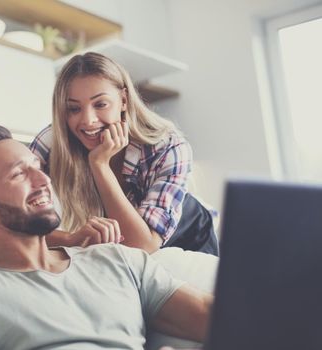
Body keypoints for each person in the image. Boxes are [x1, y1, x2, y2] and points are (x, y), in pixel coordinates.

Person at [0, 123, 212, 350]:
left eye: (36, 167)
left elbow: (219, 319)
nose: (44, 180)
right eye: (19, 174)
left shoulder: (117, 259)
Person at [30, 52, 218, 255]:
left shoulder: (168, 147)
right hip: (121, 251)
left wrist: (100, 165)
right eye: (74, 109)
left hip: (188, 237)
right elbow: (14, 223)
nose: (88, 120)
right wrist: (71, 239)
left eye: (100, 104)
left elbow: (141, 246)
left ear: (124, 100)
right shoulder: (53, 142)